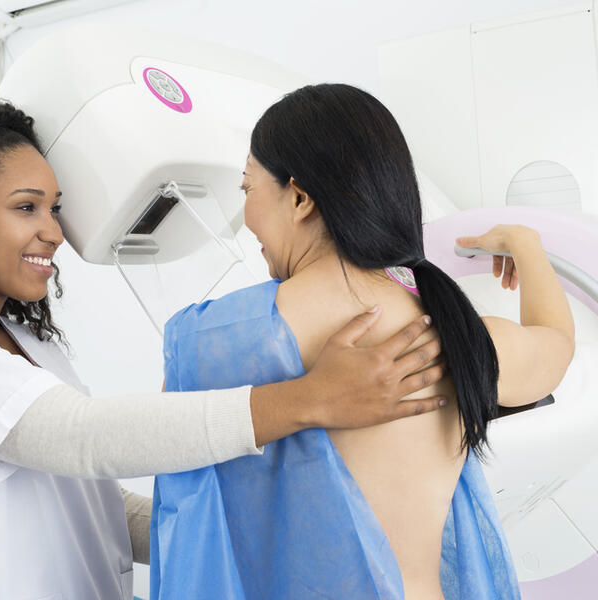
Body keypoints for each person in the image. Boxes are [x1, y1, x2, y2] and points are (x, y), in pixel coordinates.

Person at [0, 97, 447, 600]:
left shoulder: (29, 341)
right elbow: (79, 438)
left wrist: (250, 532)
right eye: (26, 207)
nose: (54, 232)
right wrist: (310, 399)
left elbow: (92, 504)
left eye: (55, 208)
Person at [149, 84, 575, 600]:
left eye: (247, 189)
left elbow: (177, 474)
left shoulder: (218, 340)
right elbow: (554, 346)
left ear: (300, 197)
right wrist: (525, 245)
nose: (247, 219)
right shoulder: (450, 328)